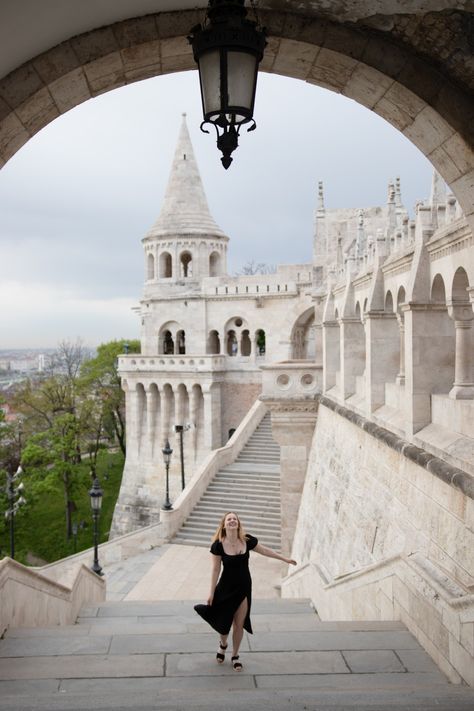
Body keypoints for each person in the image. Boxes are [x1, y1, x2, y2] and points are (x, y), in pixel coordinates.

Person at [194, 511, 297, 671]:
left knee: (239, 624)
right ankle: (223, 644)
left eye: (235, 519)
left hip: (243, 588)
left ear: (238, 524)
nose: (232, 521)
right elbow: (215, 570)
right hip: (225, 589)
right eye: (229, 519)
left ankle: (235, 656)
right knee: (223, 623)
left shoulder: (247, 540)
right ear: (224, 524)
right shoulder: (218, 545)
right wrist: (211, 592)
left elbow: (265, 551)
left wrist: (284, 559)